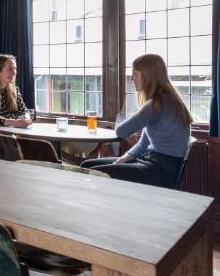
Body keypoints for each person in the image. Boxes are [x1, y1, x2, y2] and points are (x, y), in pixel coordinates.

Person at [81, 54, 192, 187]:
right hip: (153, 161)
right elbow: (144, 143)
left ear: (148, 76)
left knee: (91, 172)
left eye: (135, 74)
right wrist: (121, 160)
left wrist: (134, 115)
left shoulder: (156, 104)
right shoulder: (166, 100)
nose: (132, 78)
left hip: (160, 169)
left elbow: (121, 131)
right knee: (86, 165)